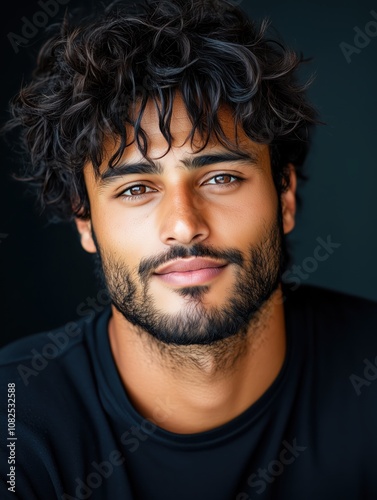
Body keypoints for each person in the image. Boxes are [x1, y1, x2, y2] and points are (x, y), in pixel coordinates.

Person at [1, 0, 376, 498]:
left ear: (284, 196)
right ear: (85, 221)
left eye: (221, 177)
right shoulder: (13, 419)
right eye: (135, 188)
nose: (183, 225)